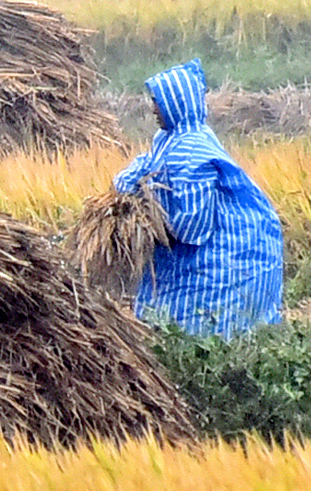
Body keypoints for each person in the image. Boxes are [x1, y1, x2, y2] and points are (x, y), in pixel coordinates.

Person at [113, 58, 283, 337]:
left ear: (175, 103)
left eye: (158, 101)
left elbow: (193, 228)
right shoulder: (169, 138)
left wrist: (148, 217)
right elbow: (149, 164)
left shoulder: (191, 151)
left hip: (229, 254)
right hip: (191, 251)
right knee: (166, 320)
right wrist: (127, 187)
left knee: (212, 324)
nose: (153, 108)